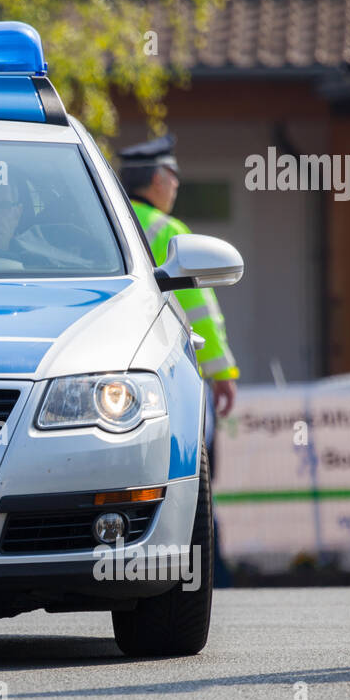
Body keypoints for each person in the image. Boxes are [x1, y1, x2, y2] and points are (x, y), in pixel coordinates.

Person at [120, 135, 239, 587]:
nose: (176, 187)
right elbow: (201, 312)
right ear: (157, 179)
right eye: (174, 178)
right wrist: (221, 370)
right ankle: (210, 572)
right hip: (173, 374)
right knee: (196, 476)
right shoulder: (167, 229)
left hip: (119, 379)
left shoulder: (107, 220)